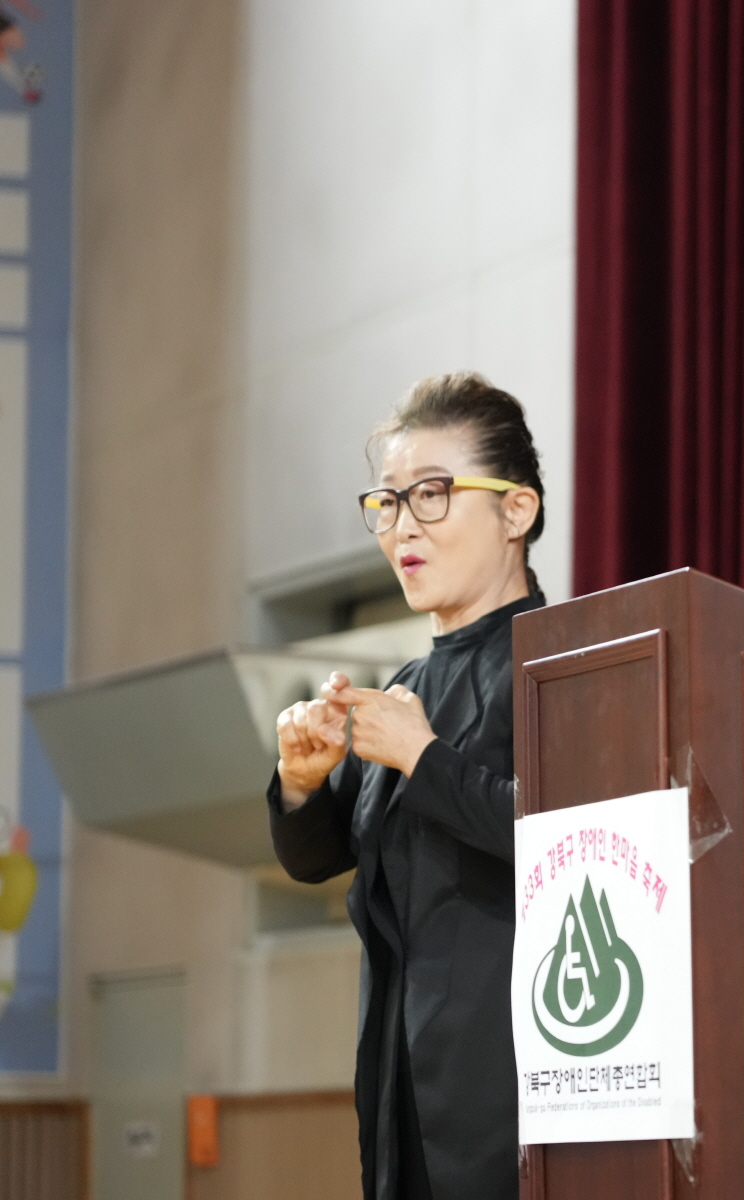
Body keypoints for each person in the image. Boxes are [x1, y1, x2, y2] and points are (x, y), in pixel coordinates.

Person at [269, 373, 547, 1200]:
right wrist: (300, 783)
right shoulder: (405, 686)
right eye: (386, 504)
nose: (400, 528)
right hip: (400, 1084)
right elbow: (320, 861)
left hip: (519, 1092)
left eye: (432, 495)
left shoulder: (565, 663)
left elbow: (574, 844)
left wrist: (427, 762)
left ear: (515, 511)